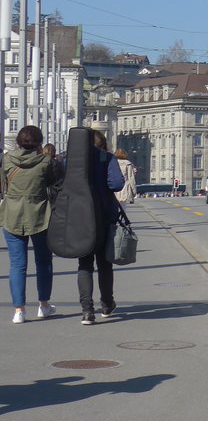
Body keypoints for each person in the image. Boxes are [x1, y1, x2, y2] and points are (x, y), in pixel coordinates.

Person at [2, 125, 59, 324]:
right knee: (44, 262)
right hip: (40, 215)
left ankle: (19, 310)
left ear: (18, 141)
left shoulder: (7, 159)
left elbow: (3, 186)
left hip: (12, 215)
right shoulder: (46, 162)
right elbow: (53, 185)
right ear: (39, 142)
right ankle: (43, 305)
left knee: (17, 264)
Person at [77, 130, 125, 325]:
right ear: (103, 144)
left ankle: (87, 311)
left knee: (84, 264)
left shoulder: (72, 160)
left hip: (80, 218)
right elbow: (116, 184)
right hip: (104, 215)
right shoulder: (107, 158)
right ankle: (106, 304)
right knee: (105, 263)